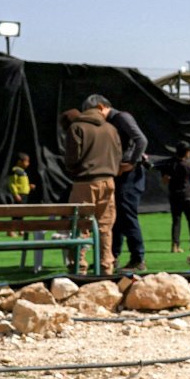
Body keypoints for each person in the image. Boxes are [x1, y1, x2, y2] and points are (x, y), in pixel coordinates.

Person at [85, 95, 150, 273]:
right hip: (119, 174)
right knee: (116, 217)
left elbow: (141, 140)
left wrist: (131, 163)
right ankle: (111, 258)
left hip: (130, 175)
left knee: (127, 215)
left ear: (100, 106)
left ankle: (138, 258)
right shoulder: (108, 123)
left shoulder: (121, 117)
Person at [60, 103, 121, 275]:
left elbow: (72, 158)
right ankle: (106, 266)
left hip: (84, 182)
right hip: (108, 181)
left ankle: (79, 267)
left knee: (80, 226)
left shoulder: (76, 128)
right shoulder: (111, 128)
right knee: (105, 226)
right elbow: (118, 154)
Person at [156, 141, 190, 255]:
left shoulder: (170, 165)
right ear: (187, 153)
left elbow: (165, 181)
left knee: (176, 220)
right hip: (187, 195)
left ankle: (175, 245)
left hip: (174, 195)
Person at [6, 152, 35, 236]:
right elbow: (11, 183)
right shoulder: (15, 171)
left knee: (22, 213)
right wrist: (15, 194)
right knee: (16, 214)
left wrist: (29, 186)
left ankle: (20, 229)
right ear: (20, 162)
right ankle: (10, 230)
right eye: (26, 161)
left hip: (24, 195)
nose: (28, 163)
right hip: (19, 195)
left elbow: (22, 184)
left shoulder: (23, 172)